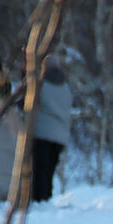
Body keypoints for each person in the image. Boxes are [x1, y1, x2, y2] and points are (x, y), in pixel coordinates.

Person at [32, 55, 72, 202]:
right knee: (50, 170)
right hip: (60, 137)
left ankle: (38, 199)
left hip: (42, 133)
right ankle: (46, 197)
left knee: (39, 169)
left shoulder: (41, 85)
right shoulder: (66, 87)